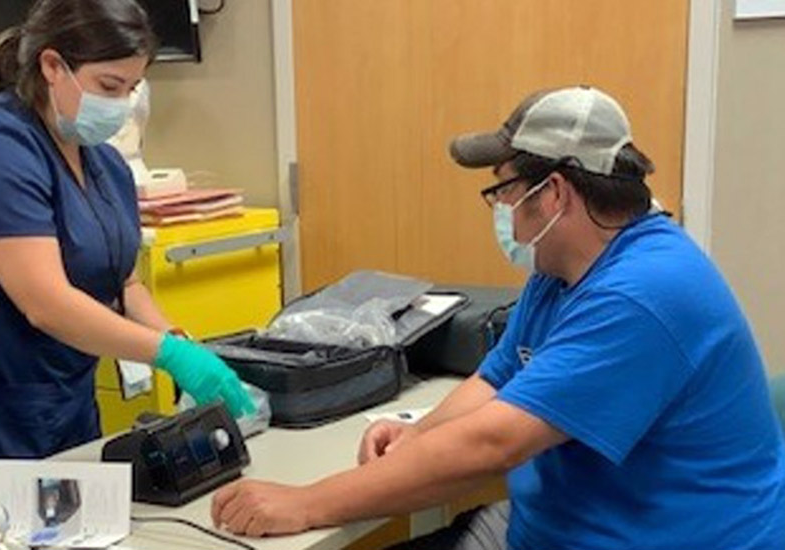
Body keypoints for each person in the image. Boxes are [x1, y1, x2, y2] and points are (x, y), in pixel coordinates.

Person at [210, 86, 785, 549]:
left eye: (506, 190)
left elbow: (494, 445)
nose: (502, 209)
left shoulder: (645, 293)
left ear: (554, 192)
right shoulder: (564, 269)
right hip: (556, 527)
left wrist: (306, 501)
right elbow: (498, 378)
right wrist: (416, 435)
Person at [0, 0, 254, 483]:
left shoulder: (104, 165)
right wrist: (167, 355)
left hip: (60, 405)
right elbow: (47, 304)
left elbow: (125, 283)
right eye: (109, 87)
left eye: (132, 88)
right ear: (53, 66)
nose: (120, 105)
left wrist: (180, 347)